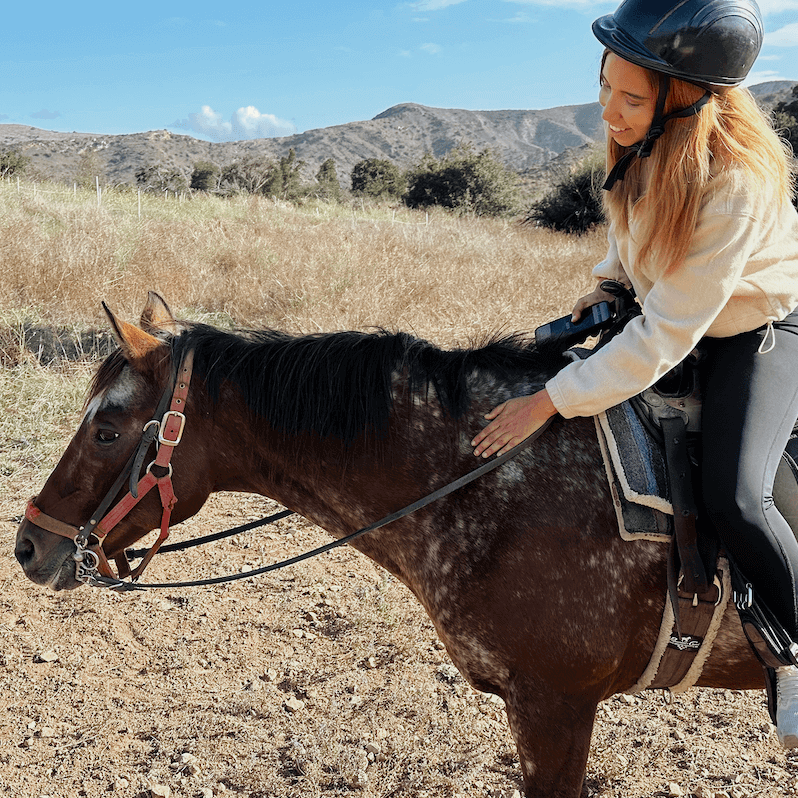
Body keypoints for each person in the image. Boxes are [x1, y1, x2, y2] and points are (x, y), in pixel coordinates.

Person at [471, 0, 798, 747]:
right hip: (674, 319)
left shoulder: (736, 181)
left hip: (758, 333)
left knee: (740, 494)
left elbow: (670, 334)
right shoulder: (640, 149)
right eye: (604, 87)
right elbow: (629, 252)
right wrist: (604, 293)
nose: (609, 111)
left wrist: (549, 401)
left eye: (630, 98)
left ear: (681, 103)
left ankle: (795, 655)